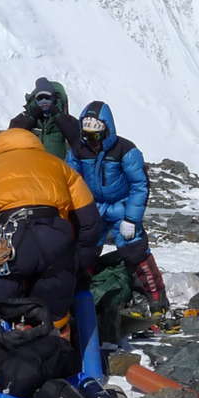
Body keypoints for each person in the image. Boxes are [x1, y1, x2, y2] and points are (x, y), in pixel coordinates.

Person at [0, 129, 102, 386]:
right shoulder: (58, 165)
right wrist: (78, 262)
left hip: (8, 240)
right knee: (55, 317)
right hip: (56, 236)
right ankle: (64, 384)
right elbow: (90, 222)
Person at [68, 101, 167, 311]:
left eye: (95, 135)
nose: (90, 141)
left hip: (122, 207)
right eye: (86, 135)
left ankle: (157, 301)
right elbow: (70, 180)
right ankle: (85, 297)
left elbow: (139, 185)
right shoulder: (78, 150)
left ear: (107, 130)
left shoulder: (125, 150)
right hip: (92, 207)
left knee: (135, 250)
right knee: (84, 250)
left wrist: (131, 219)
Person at [8, 77, 80, 159]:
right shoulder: (26, 117)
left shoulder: (64, 119)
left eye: (47, 97)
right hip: (31, 167)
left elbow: (77, 137)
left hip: (56, 168)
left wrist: (58, 116)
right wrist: (31, 117)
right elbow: (11, 135)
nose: (44, 101)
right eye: (40, 98)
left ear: (54, 99)